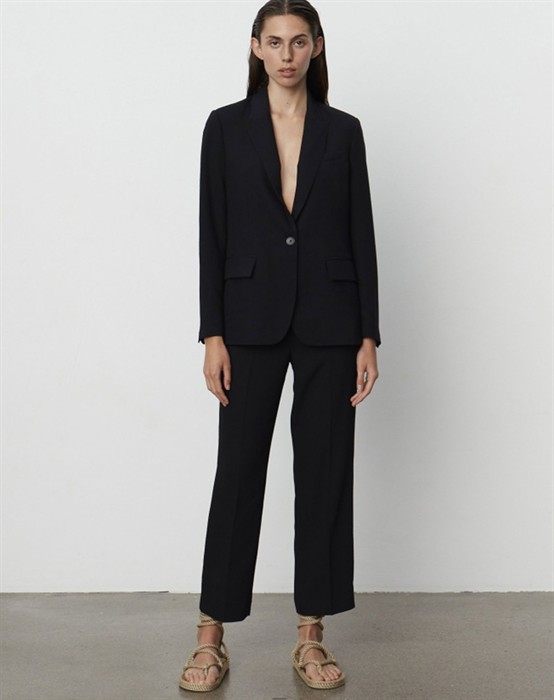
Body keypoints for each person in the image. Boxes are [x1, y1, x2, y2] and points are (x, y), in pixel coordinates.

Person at [179, 0, 380, 692]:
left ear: (316, 47)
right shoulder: (225, 127)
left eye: (298, 42)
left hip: (330, 320)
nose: (287, 54)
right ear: (256, 48)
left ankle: (311, 635)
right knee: (238, 474)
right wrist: (212, 333)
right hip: (248, 319)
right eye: (275, 42)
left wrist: (368, 334)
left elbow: (361, 231)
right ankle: (211, 634)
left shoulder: (342, 131)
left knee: (323, 475)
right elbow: (211, 232)